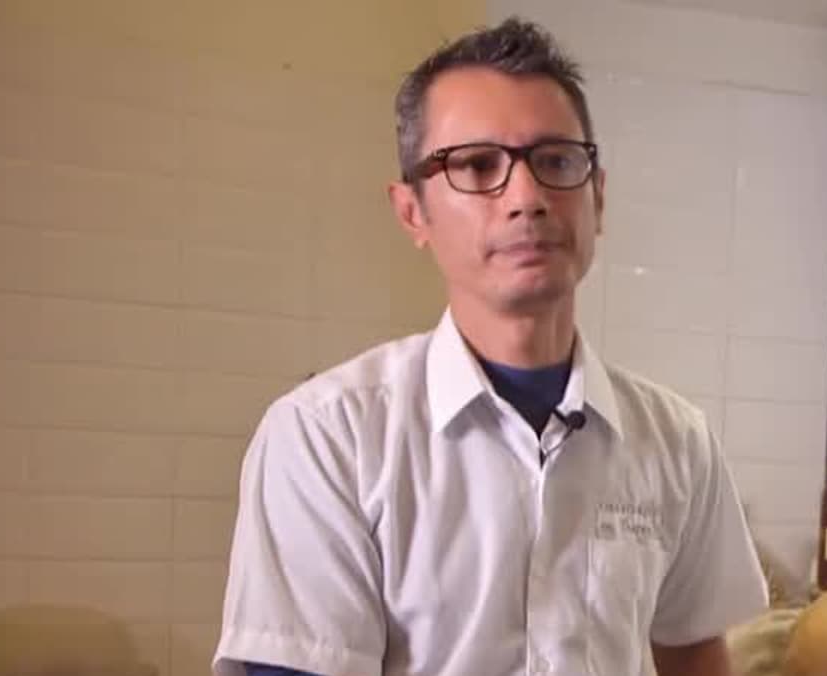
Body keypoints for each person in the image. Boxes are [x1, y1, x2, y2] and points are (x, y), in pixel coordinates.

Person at [213, 18, 767, 676]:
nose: (527, 198)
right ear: (412, 211)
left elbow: (692, 651)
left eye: (556, 161)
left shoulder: (677, 442)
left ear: (598, 197)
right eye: (477, 165)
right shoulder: (328, 437)